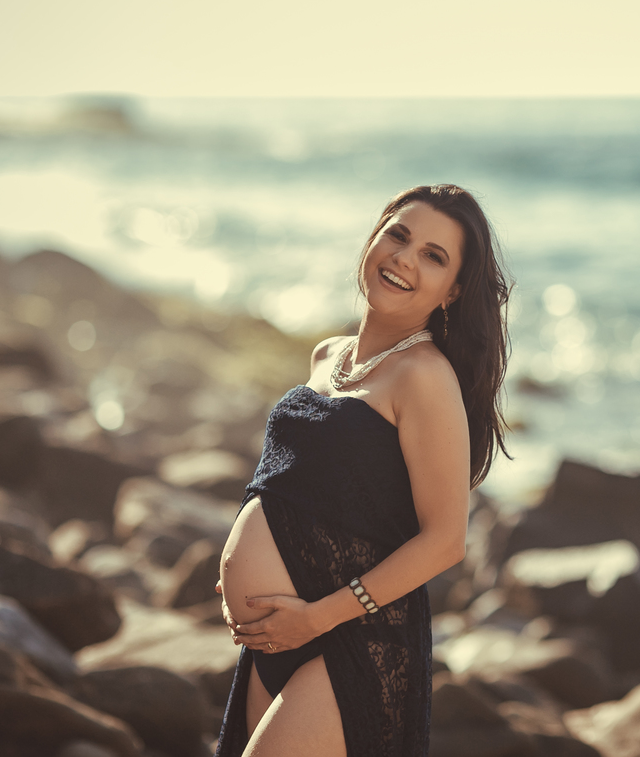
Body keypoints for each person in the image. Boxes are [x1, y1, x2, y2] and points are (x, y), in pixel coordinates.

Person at [213, 184, 511, 757]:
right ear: (374, 238)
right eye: (398, 235)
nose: (404, 257)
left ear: (451, 293)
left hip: (348, 641)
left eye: (433, 256)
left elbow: (446, 541)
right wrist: (245, 562)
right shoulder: (328, 355)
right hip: (279, 636)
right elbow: (298, 484)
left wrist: (317, 617)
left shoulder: (425, 377)